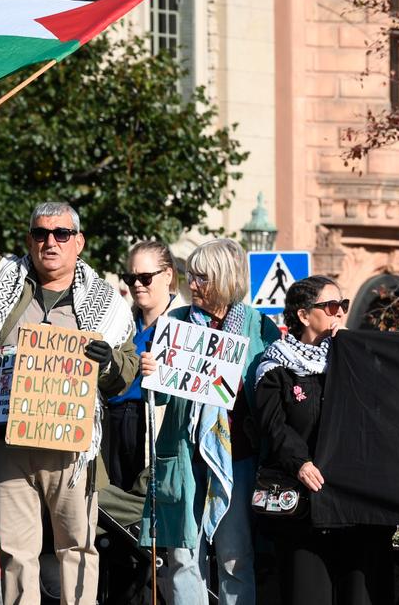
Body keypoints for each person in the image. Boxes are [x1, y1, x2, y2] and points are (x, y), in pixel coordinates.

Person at [0, 198, 138, 605]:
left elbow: (124, 369)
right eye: (40, 233)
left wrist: (108, 364)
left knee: (76, 546)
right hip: (10, 442)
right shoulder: (4, 277)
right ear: (29, 239)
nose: (50, 242)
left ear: (79, 242)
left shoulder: (107, 303)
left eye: (62, 234)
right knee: (16, 552)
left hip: (71, 447)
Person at [138, 239, 281, 605]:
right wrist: (152, 373)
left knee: (236, 555)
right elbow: (165, 395)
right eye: (191, 277)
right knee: (183, 554)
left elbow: (269, 393)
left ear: (225, 279)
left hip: (238, 456)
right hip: (184, 455)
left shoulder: (258, 327)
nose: (193, 285)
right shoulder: (175, 322)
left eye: (202, 277)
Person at [256, 276, 392, 605]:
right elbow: (273, 425)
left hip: (351, 505)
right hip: (301, 504)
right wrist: (300, 463)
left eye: (343, 306)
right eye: (332, 307)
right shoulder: (275, 364)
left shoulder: (348, 357)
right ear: (304, 315)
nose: (339, 314)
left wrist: (353, 353)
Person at [105, 241, 178, 492]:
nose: (136, 284)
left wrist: (164, 373)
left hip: (156, 424)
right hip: (113, 422)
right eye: (130, 277)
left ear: (168, 275)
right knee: (115, 502)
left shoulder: (186, 324)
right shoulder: (118, 323)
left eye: (145, 277)